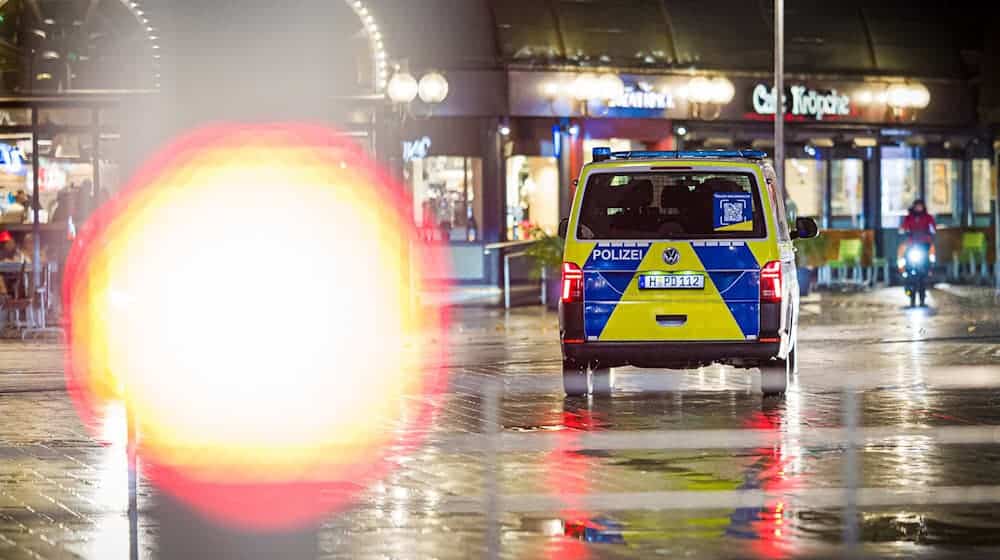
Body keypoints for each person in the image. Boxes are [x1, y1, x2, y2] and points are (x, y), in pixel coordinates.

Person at [898, 199, 937, 263]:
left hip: (925, 241)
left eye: (920, 206)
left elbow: (932, 228)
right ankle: (906, 268)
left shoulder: (928, 217)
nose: (918, 208)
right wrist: (904, 231)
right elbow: (904, 227)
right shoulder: (909, 217)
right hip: (912, 242)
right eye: (917, 206)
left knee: (928, 255)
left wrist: (930, 232)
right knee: (905, 254)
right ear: (914, 207)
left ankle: (928, 267)